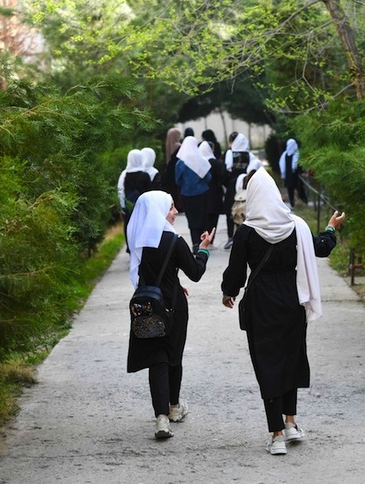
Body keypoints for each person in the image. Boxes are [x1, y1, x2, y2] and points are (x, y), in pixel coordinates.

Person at [220, 168, 345, 456]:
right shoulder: (296, 226)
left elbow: (236, 272)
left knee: (267, 365)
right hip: (291, 301)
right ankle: (291, 423)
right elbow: (322, 248)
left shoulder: (247, 233)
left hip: (261, 304)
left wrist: (230, 293)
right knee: (290, 360)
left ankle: (276, 435)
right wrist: (330, 227)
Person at [126, 191, 215, 439]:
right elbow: (195, 272)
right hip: (173, 306)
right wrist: (204, 249)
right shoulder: (174, 241)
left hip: (147, 305)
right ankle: (174, 407)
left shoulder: (137, 239)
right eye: (171, 207)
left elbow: (144, 273)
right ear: (159, 210)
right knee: (173, 356)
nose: (175, 212)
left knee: (157, 360)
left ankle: (161, 419)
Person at [222, 132, 262, 249]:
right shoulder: (250, 155)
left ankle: (230, 237)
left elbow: (227, 168)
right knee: (244, 210)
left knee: (231, 210)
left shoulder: (230, 153)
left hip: (232, 185)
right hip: (246, 185)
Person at [175, 136, 213, 251]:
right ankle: (203, 241)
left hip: (187, 194)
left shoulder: (180, 162)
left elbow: (177, 180)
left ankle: (195, 242)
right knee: (202, 217)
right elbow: (208, 177)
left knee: (191, 219)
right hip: (202, 193)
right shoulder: (200, 159)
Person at [118, 150, 151, 251]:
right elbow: (150, 193)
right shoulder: (145, 175)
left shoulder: (124, 175)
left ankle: (131, 248)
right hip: (143, 209)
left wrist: (123, 207)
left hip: (129, 207)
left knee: (130, 228)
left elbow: (120, 192)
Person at [199, 140, 226, 246]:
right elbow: (222, 177)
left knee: (204, 217)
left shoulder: (199, 162)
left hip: (202, 193)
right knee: (213, 217)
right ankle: (211, 238)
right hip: (215, 193)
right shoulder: (215, 163)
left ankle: (203, 237)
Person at [279, 138, 307, 208]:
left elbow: (282, 166)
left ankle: (295, 204)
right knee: (299, 189)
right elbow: (298, 166)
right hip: (295, 176)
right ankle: (302, 202)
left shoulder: (285, 154)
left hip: (289, 177)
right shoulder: (296, 154)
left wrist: (283, 175)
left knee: (292, 190)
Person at [162, 128, 183, 211]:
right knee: (178, 188)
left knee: (172, 188)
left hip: (169, 169)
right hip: (177, 169)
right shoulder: (179, 146)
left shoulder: (167, 144)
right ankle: (179, 206)